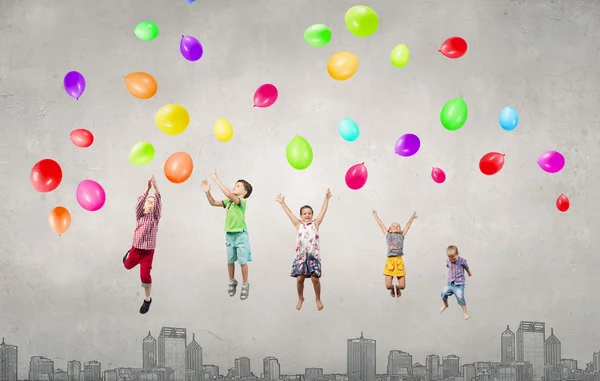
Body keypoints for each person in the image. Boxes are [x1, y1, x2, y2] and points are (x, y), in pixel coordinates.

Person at [275, 189, 332, 311]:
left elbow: (323, 211)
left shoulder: (315, 223)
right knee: (300, 278)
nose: (307, 215)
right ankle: (301, 298)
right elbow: (289, 213)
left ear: (312, 215)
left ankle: (318, 298)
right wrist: (282, 203)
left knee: (314, 279)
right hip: (301, 257)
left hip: (313, 257)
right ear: (301, 216)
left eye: (309, 213)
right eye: (305, 213)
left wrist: (326, 199)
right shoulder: (298, 224)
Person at [202, 170, 253, 300]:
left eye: (238, 186)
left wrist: (216, 179)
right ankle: (232, 281)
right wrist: (207, 192)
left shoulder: (241, 201)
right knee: (230, 261)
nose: (234, 186)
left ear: (244, 192)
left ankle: (245, 284)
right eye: (235, 185)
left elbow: (230, 194)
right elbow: (213, 203)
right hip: (230, 235)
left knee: (242, 261)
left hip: (240, 235)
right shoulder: (229, 202)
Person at [123, 175, 162, 314]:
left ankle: (147, 300)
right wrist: (147, 188)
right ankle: (128, 255)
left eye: (153, 201)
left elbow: (158, 199)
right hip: (136, 248)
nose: (151, 202)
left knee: (145, 276)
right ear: (144, 205)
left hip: (148, 252)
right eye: (148, 201)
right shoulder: (140, 215)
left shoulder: (156, 218)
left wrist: (156, 187)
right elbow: (138, 203)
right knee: (127, 266)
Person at [372, 210, 417, 298]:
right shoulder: (388, 235)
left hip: (399, 261)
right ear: (389, 229)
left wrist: (412, 217)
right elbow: (381, 225)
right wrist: (375, 216)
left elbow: (407, 226)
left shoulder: (402, 235)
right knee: (388, 286)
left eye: (398, 226)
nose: (395, 227)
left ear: (400, 230)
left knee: (403, 286)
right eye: (393, 226)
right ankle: (392, 288)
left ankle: (397, 288)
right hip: (390, 261)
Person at [439, 245, 472, 320]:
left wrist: (469, 273)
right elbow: (448, 266)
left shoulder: (462, 261)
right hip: (450, 282)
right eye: (450, 259)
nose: (452, 260)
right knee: (443, 293)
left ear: (457, 254)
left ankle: (465, 313)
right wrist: (450, 260)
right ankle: (446, 305)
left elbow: (466, 267)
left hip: (459, 284)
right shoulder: (448, 260)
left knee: (460, 297)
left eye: (453, 258)